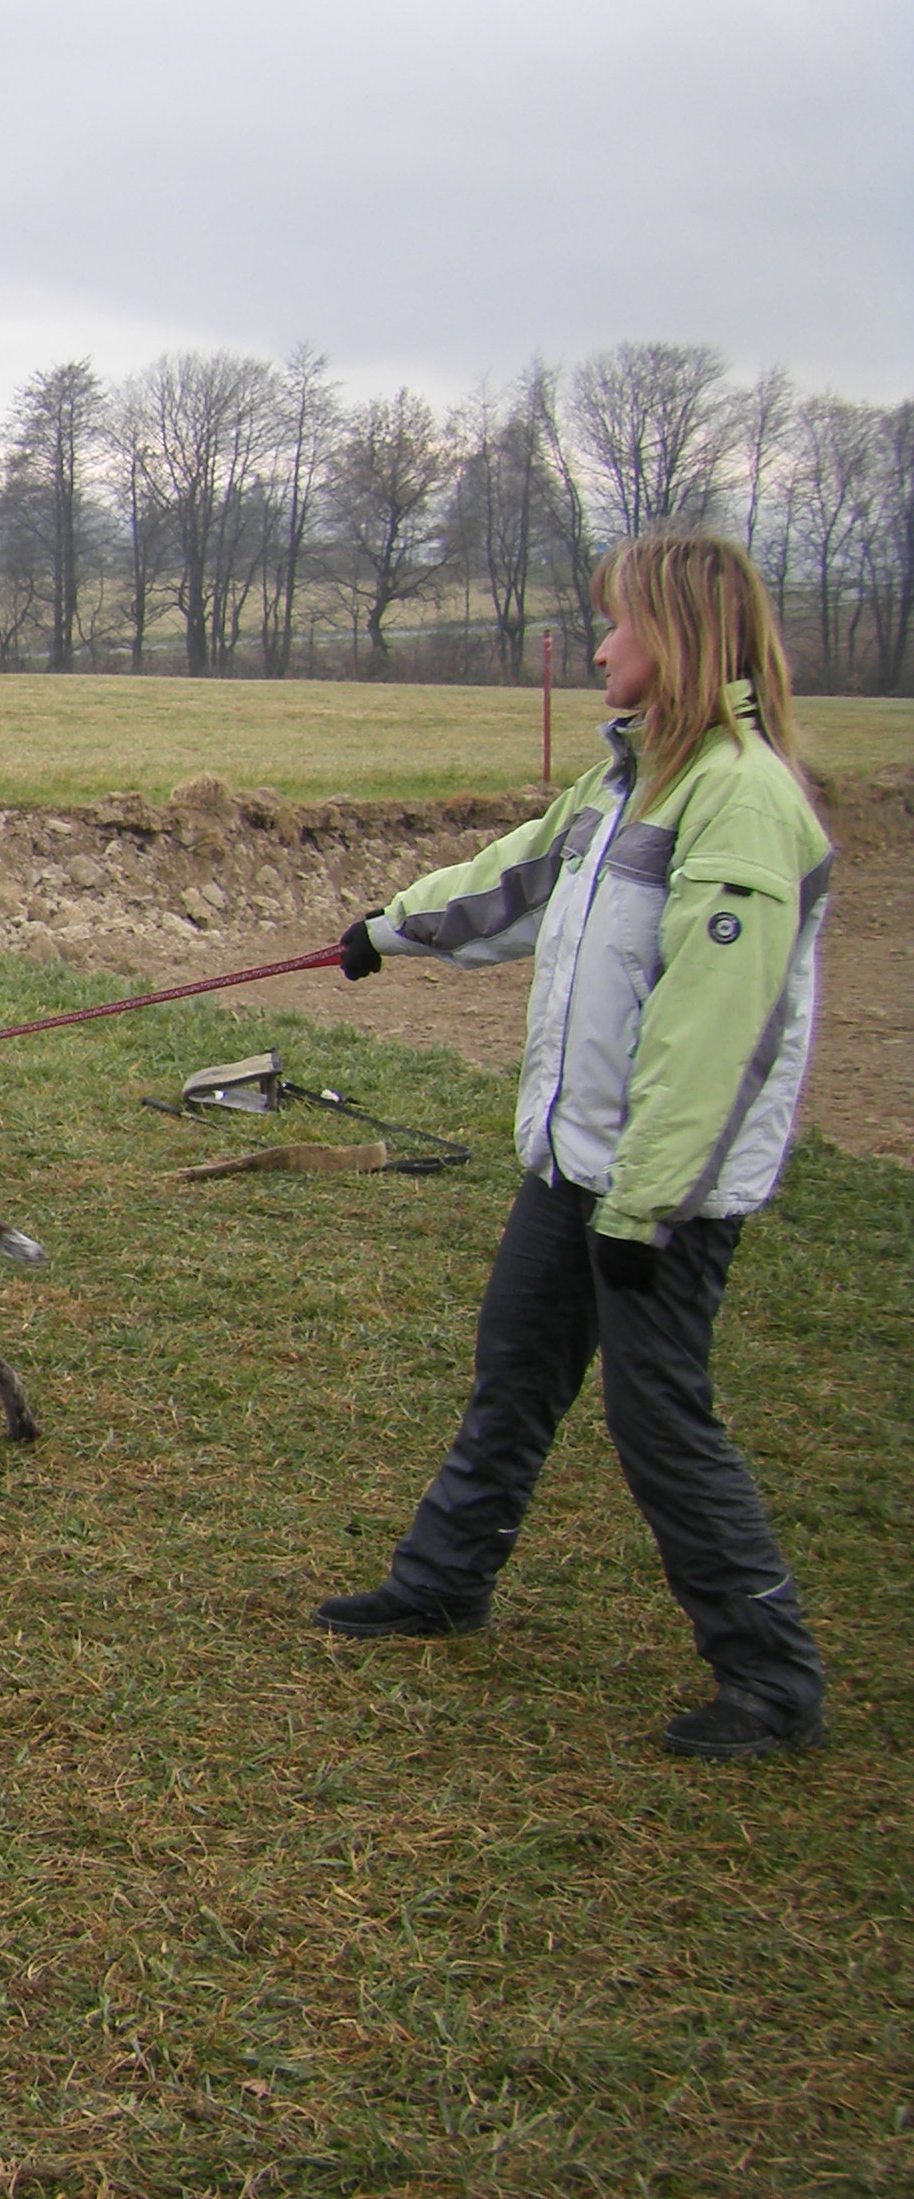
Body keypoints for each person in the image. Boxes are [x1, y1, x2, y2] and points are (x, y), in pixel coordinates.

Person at [316, 531, 833, 1761]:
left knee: (662, 1425)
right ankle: (445, 1582)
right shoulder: (625, 782)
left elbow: (716, 1034)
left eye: (618, 625)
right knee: (514, 1375)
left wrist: (648, 1208)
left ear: (677, 638)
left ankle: (772, 1680)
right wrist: (387, 932)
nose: (600, 644)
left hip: (663, 1196)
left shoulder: (744, 802)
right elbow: (518, 880)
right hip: (578, 1168)